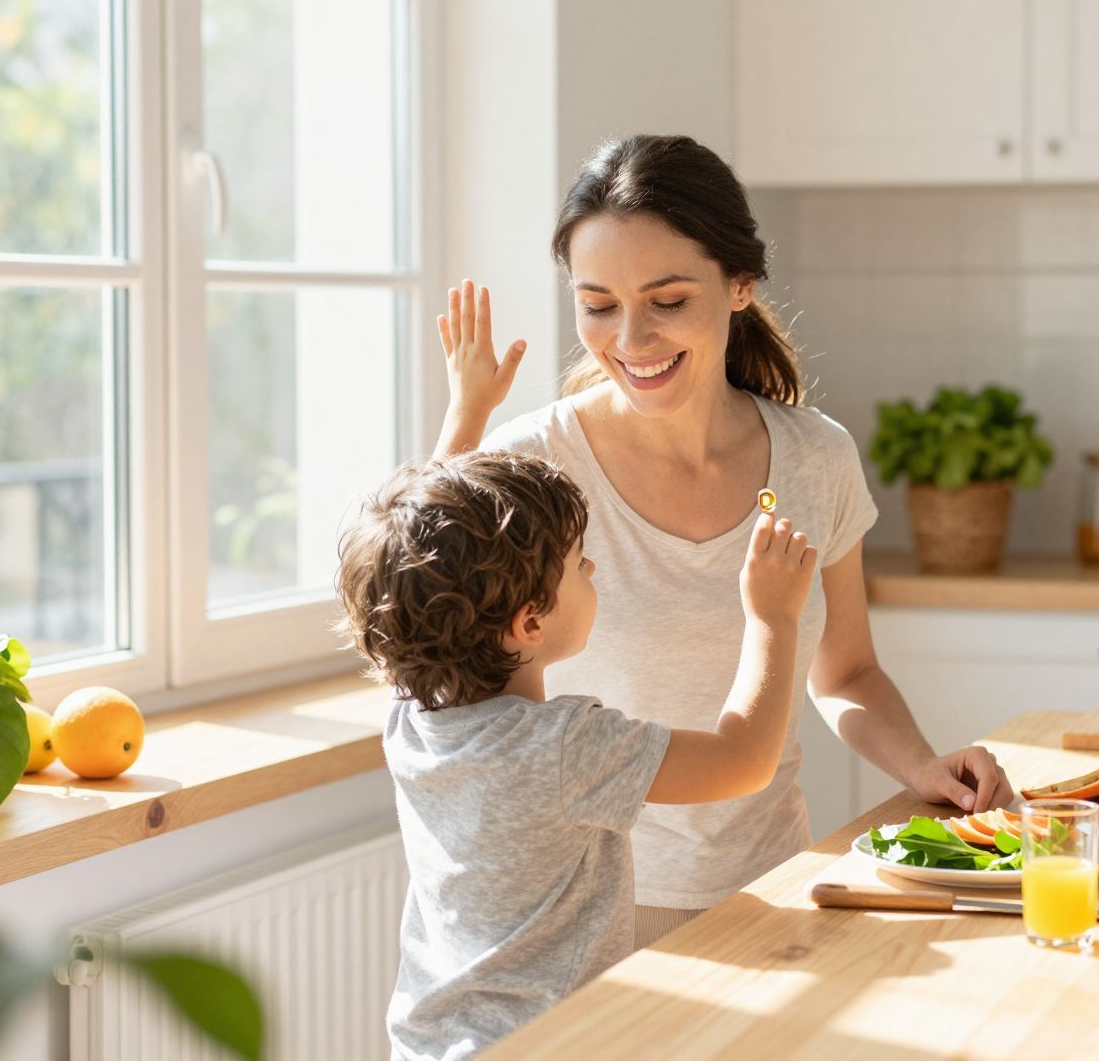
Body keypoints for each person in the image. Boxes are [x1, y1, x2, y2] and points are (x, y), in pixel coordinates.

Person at [434, 134, 1015, 945]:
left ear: (739, 284)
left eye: (668, 301)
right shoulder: (535, 468)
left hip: (771, 893)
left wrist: (923, 767)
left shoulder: (817, 458)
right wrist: (462, 422)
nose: (630, 340)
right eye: (599, 304)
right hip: (585, 914)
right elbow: (424, 615)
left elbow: (845, 670)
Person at [335, 451, 818, 1059]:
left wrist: (466, 409)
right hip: (549, 1043)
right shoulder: (565, 746)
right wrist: (773, 617)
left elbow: (413, 569)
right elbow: (743, 762)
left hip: (431, 1041)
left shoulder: (411, 718)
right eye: (578, 565)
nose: (590, 565)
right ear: (530, 623)